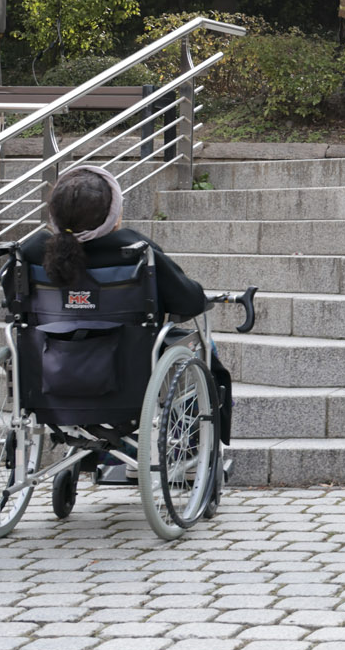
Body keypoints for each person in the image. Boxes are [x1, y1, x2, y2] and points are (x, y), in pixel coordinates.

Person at [16, 164, 233, 482]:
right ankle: (184, 451)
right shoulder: (135, 251)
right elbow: (188, 301)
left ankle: (108, 452)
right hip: (125, 375)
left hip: (51, 373)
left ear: (55, 215)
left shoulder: (31, 253)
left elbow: (15, 305)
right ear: (112, 215)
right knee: (198, 346)